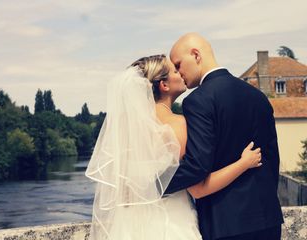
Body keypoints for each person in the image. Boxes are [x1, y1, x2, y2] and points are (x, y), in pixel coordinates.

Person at [85, 54, 262, 240]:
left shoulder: (125, 131)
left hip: (130, 226)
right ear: (164, 85)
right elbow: (198, 189)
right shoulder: (179, 125)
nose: (181, 72)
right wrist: (243, 163)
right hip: (172, 223)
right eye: (175, 70)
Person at [165, 33, 284, 240]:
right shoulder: (258, 97)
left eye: (178, 64)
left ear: (196, 55)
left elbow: (197, 167)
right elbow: (272, 159)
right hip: (268, 219)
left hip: (226, 224)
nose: (178, 72)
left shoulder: (198, 101)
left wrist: (154, 186)